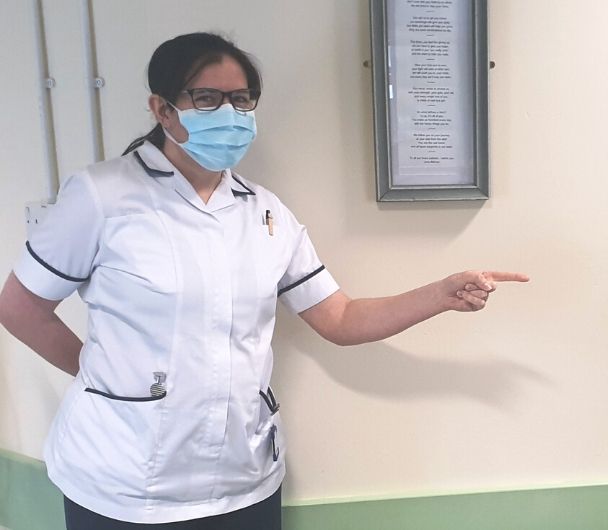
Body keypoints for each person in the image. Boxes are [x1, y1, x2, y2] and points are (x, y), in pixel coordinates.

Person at [0, 32, 528, 529]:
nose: (229, 113)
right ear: (162, 109)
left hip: (243, 481)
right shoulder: (101, 196)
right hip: (122, 485)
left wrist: (439, 294)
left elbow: (340, 318)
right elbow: (20, 308)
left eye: (242, 99)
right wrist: (106, 380)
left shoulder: (266, 213)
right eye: (207, 98)